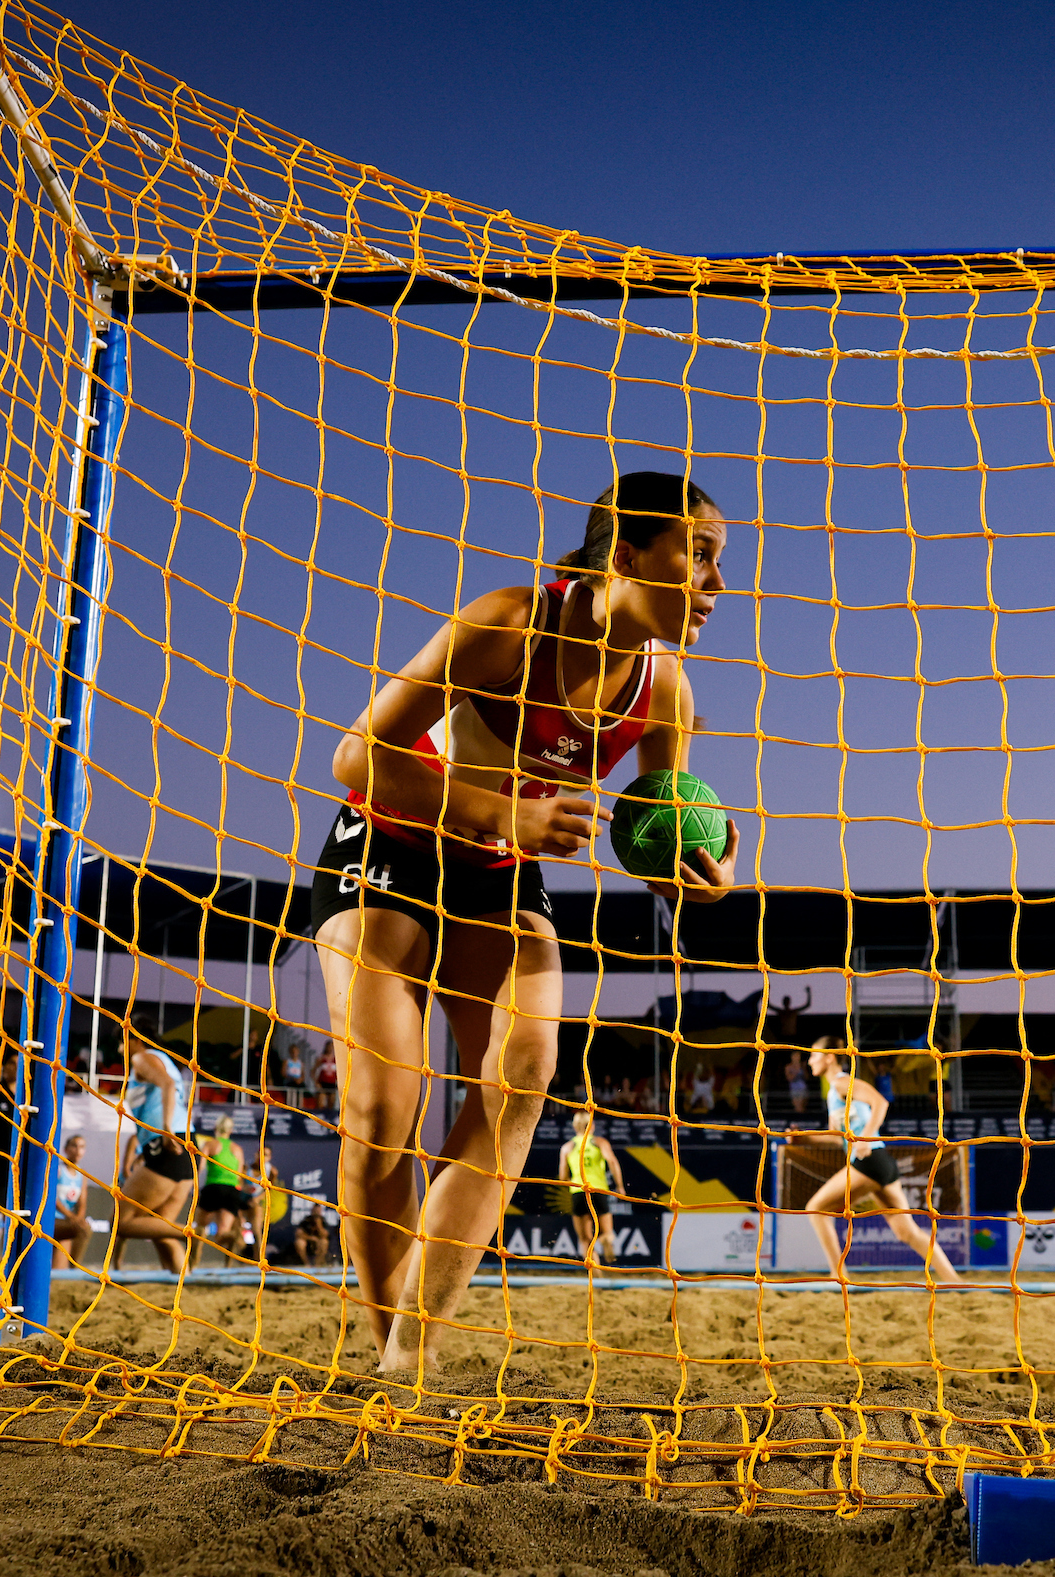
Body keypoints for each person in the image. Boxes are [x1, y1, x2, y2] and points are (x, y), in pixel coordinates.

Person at [311, 472, 737, 1370]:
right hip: (388, 847)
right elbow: (356, 755)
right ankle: (386, 1335)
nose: (716, 583)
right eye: (697, 555)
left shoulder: (667, 692)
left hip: (501, 875)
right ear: (624, 554)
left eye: (719, 562)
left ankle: (410, 1357)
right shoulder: (510, 624)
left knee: (526, 1069)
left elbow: (667, 819)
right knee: (382, 1108)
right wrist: (507, 813)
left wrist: (699, 874)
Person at [793, 1037, 961, 1284]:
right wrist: (803, 1139)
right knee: (908, 1232)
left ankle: (837, 1274)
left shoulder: (842, 1083)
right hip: (879, 1163)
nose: (809, 1062)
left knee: (815, 1209)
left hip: (869, 1160)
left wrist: (866, 1137)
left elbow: (880, 1102)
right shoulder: (833, 1093)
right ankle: (955, 1282)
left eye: (814, 1055)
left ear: (829, 1058)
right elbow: (837, 1138)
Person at [108, 1028, 200, 1271]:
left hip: (168, 1142)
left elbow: (167, 1085)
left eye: (122, 1043)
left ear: (136, 1039)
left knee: (119, 1222)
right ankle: (183, 1282)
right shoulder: (166, 1060)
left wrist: (167, 1129)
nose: (119, 1050)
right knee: (159, 1226)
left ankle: (192, 1233)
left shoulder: (142, 1057)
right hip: (186, 1143)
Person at [557, 1106, 627, 1265]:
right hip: (598, 1190)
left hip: (578, 1192)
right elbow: (612, 1162)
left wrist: (572, 1180)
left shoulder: (567, 1147)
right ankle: (606, 1240)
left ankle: (596, 1276)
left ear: (574, 1127)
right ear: (592, 1126)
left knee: (584, 1239)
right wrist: (620, 1186)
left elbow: (562, 1177)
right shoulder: (599, 1142)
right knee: (606, 1231)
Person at [195, 1119, 251, 1261]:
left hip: (214, 1187)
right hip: (232, 1190)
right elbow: (239, 1176)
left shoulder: (210, 1144)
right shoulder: (237, 1149)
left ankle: (193, 1260)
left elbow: (200, 1167)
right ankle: (235, 1236)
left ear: (215, 1128)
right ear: (230, 1131)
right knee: (221, 1235)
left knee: (200, 1227)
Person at [52, 1132, 92, 1268]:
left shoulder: (82, 1175)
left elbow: (82, 1203)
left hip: (67, 1222)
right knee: (83, 1229)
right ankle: (75, 1267)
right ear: (66, 1149)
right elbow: (52, 1198)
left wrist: (78, 1219)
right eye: (74, 1146)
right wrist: (71, 1217)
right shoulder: (57, 1169)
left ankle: (74, 1266)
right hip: (53, 1220)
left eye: (81, 1146)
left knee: (60, 1270)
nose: (78, 1150)